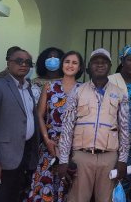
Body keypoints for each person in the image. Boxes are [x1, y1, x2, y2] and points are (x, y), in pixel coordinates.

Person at [56, 48, 129, 202]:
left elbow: (124, 129)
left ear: (110, 66)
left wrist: (122, 160)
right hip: (81, 157)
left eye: (104, 62)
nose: (100, 65)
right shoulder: (77, 91)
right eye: (96, 62)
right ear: (89, 67)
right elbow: (67, 128)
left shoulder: (120, 93)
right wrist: (63, 160)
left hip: (108, 157)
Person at [0, 48, 38, 202]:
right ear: (9, 62)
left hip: (23, 156)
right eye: (19, 61)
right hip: (2, 160)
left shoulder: (28, 88)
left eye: (27, 62)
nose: (23, 65)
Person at [26, 51, 83, 202]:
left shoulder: (84, 89)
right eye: (67, 61)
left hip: (73, 147)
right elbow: (39, 115)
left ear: (80, 67)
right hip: (49, 145)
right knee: (45, 185)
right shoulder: (49, 87)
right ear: (62, 64)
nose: (70, 65)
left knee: (69, 187)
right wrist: (46, 139)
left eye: (74, 63)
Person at [109, 45, 131, 201]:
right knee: (111, 179)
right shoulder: (110, 82)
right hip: (113, 140)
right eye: (129, 59)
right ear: (122, 60)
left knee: (130, 181)